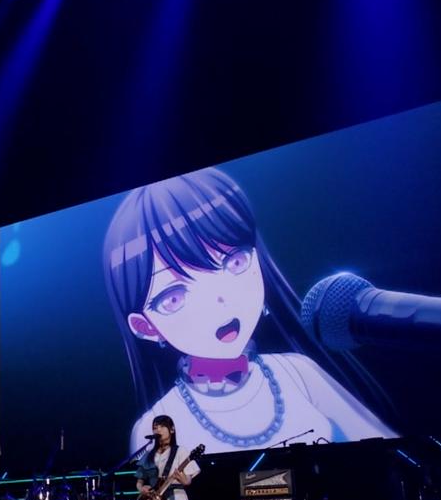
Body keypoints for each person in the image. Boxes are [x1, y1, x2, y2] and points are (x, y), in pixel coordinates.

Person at [103, 167, 398, 456]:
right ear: (145, 327)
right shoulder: (155, 424)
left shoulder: (296, 372)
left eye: (234, 262)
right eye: (174, 297)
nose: (218, 300)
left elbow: (389, 449)